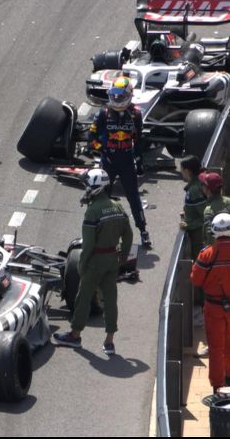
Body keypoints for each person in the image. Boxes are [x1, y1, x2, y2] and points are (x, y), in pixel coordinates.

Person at [53, 168, 133, 355]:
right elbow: (128, 235)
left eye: (87, 184)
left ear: (95, 187)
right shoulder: (118, 206)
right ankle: (109, 341)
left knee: (83, 297)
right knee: (111, 299)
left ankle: (75, 335)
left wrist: (82, 264)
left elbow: (88, 245)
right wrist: (122, 257)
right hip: (112, 260)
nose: (85, 188)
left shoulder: (92, 211)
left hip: (95, 261)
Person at [88, 75, 152, 248]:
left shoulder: (136, 114)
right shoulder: (103, 112)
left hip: (126, 161)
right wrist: (103, 150)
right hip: (108, 160)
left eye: (120, 96)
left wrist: (139, 161)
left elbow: (138, 139)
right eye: (114, 95)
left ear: (129, 95)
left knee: (133, 197)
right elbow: (91, 137)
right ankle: (96, 231)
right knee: (100, 197)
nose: (116, 99)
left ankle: (143, 231)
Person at [190, 213, 230, 393]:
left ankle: (217, 386)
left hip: (213, 308)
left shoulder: (207, 254)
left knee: (216, 347)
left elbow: (196, 280)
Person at [180, 155, 208, 260]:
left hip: (198, 236)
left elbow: (205, 216)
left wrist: (188, 225)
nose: (180, 172)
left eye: (181, 170)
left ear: (187, 171)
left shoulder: (194, 190)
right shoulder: (196, 184)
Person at [201, 172, 230, 246]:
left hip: (218, 250)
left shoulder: (209, 210)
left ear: (207, 189)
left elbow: (209, 236)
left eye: (203, 184)